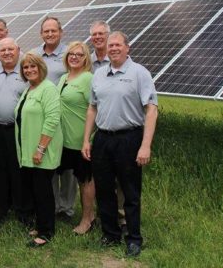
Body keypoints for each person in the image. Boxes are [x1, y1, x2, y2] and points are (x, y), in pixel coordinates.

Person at [82, 31, 158, 257]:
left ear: (127, 48)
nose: (113, 48)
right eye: (110, 45)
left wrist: (145, 145)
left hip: (129, 138)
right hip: (103, 138)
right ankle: (110, 234)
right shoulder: (99, 74)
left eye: (117, 45)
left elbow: (151, 110)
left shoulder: (139, 73)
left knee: (130, 191)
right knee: (104, 189)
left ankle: (133, 238)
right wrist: (87, 139)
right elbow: (92, 108)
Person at [15, 52, 62, 247]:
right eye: (26, 67)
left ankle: (46, 232)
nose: (29, 70)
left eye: (33, 66)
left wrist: (40, 149)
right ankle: (41, 223)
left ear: (41, 67)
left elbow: (52, 120)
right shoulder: (29, 89)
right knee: (35, 189)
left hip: (43, 151)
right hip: (29, 151)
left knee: (43, 191)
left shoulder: (48, 88)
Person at [33, 16, 76, 222]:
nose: (50, 34)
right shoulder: (33, 54)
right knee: (46, 162)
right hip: (40, 118)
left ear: (61, 32)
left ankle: (66, 209)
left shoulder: (70, 54)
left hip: (65, 117)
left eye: (53, 30)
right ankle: (52, 204)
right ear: (41, 33)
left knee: (66, 166)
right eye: (46, 31)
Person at [0, 38, 27, 228]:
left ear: (18, 50)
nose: (7, 53)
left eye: (11, 49)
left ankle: (23, 211)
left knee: (20, 171)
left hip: (20, 130)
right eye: (3, 50)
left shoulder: (27, 70)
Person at [90, 20, 126, 232]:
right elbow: (91, 103)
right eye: (94, 35)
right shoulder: (89, 62)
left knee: (121, 178)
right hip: (98, 129)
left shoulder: (123, 62)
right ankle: (104, 219)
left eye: (101, 34)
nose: (97, 38)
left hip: (121, 128)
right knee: (101, 177)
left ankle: (122, 219)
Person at [57, 41, 95, 235]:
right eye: (71, 53)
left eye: (79, 55)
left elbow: (94, 108)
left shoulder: (88, 78)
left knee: (85, 180)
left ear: (86, 58)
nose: (74, 57)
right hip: (62, 139)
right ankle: (60, 210)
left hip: (80, 139)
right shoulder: (64, 77)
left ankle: (87, 219)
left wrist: (87, 139)